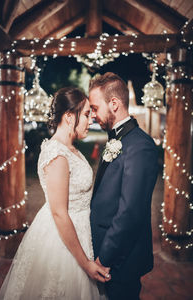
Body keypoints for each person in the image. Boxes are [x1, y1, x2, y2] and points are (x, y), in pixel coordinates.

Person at [0, 87, 110, 300]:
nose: (91, 120)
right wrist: (85, 264)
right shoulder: (57, 155)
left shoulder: (71, 149)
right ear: (69, 117)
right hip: (63, 238)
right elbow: (59, 212)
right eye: (86, 114)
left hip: (81, 230)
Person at [89, 72, 158, 300]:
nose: (93, 115)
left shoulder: (141, 146)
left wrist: (105, 258)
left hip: (120, 259)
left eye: (95, 107)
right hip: (105, 249)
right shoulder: (116, 139)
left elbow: (130, 212)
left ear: (114, 104)